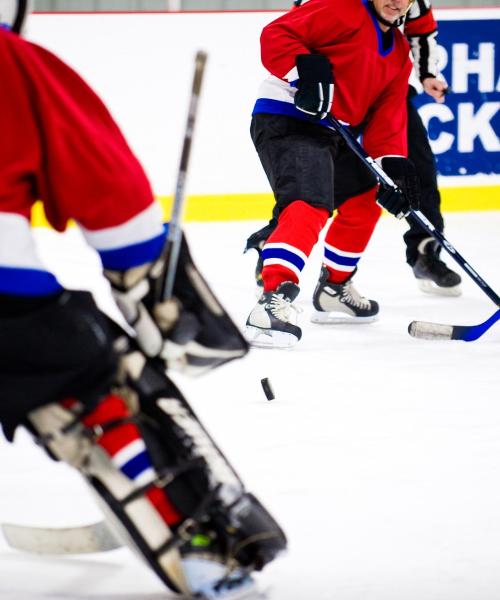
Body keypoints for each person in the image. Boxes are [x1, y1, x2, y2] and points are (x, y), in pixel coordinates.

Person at [0, 4, 286, 598]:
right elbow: (118, 208)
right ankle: (205, 557)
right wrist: (154, 299)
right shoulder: (14, 64)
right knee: (99, 379)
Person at [246, 0, 461, 301]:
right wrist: (304, 71)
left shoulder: (399, 54)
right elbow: (277, 33)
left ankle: (334, 287)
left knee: (364, 199)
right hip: (289, 117)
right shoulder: (343, 8)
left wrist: (392, 167)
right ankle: (275, 293)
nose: (398, 2)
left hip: (334, 131)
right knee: (310, 202)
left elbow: (387, 120)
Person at [404, 0, 461, 295]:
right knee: (321, 178)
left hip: (390, 96)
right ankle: (275, 251)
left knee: (420, 171)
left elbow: (421, 30)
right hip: (338, 96)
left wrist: (426, 74)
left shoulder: (413, 2)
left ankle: (426, 251)